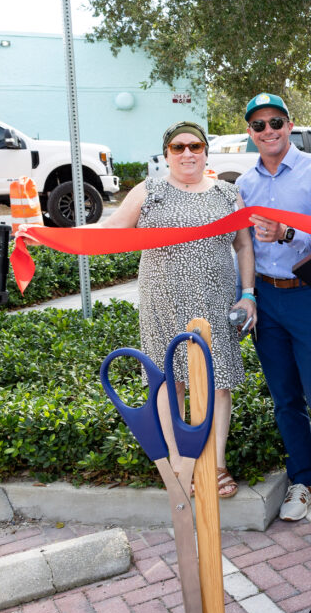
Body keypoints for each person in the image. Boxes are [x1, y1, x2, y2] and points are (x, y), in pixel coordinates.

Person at [93, 122, 256, 499]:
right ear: (166, 153)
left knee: (219, 383)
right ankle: (182, 464)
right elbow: (113, 230)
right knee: (171, 382)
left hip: (214, 303)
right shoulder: (148, 191)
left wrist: (248, 293)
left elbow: (244, 246)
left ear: (205, 151)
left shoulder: (228, 194)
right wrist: (53, 234)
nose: (187, 153)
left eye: (195, 145)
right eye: (178, 146)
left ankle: (215, 465)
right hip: (162, 301)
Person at [236, 93, 311, 521]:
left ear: (290, 125)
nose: (268, 131)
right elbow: (241, 247)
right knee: (284, 398)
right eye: (259, 125)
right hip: (267, 299)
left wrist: (287, 233)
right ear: (250, 133)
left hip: (308, 295)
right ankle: (303, 480)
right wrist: (246, 296)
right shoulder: (244, 184)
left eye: (275, 121)